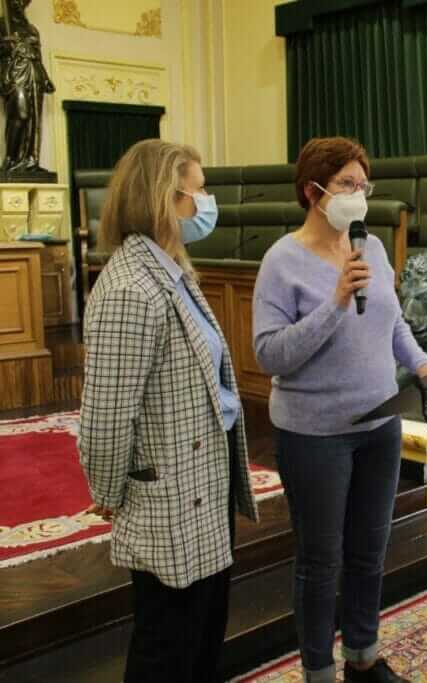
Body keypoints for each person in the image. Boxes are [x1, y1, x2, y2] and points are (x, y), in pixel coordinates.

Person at [252, 137, 427, 683]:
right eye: (347, 186)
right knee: (320, 561)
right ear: (314, 192)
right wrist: (334, 303)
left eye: (364, 185)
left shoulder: (372, 249)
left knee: (368, 553)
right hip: (315, 435)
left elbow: (393, 323)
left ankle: (363, 657)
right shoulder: (281, 261)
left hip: (380, 424)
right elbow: (269, 354)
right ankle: (317, 671)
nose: (359, 196)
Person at [78, 139, 257, 682]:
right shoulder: (131, 287)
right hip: (168, 494)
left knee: (203, 634)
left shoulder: (171, 269)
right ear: (165, 197)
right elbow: (106, 418)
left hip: (202, 483)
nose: (207, 201)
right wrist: (108, 493)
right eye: (198, 190)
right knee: (167, 647)